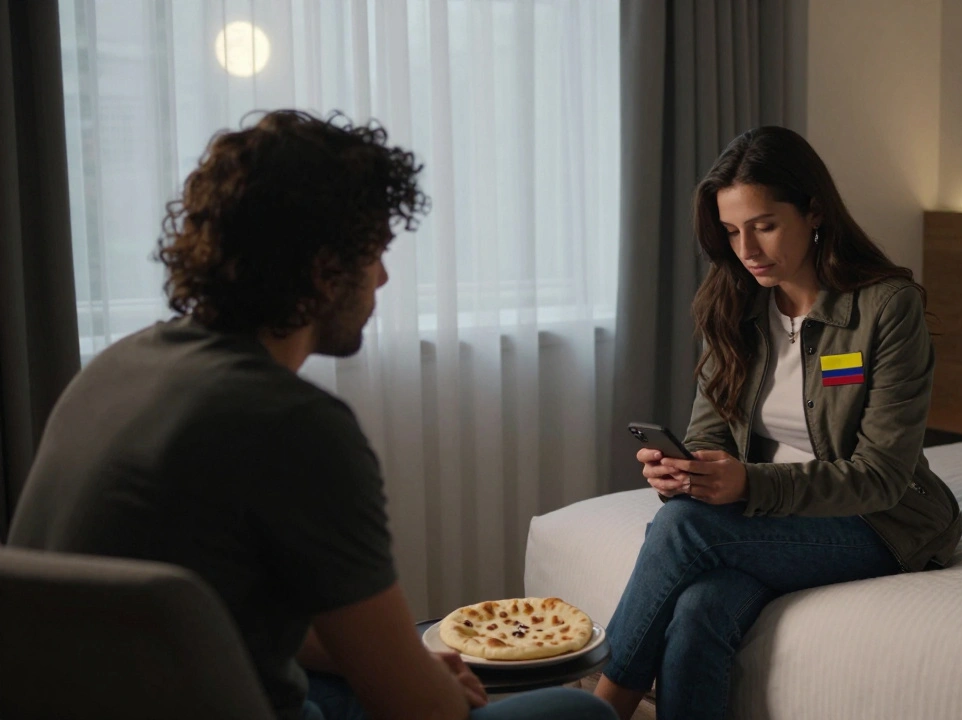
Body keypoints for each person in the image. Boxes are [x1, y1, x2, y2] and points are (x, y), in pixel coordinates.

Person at [9, 110, 616, 720]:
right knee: (580, 714)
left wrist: (397, 662)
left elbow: (230, 604)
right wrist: (423, 683)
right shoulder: (293, 426)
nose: (382, 277)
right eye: (374, 253)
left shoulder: (120, 366)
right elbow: (421, 712)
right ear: (323, 267)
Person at [593, 127, 962, 719]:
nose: (747, 249)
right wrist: (687, 471)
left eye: (763, 225)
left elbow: (881, 475)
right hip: (768, 512)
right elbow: (711, 432)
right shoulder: (734, 302)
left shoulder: (887, 307)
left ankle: (602, 707)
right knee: (699, 609)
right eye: (732, 231)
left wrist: (749, 485)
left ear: (814, 210)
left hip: (880, 519)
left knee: (686, 529)